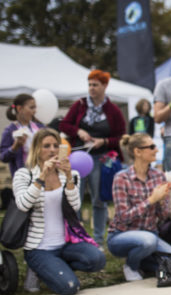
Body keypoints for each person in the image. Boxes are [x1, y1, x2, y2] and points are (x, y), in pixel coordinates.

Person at [13, 128, 105, 295]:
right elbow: (23, 205)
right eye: (46, 146)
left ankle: (55, 266)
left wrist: (69, 176)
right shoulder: (24, 174)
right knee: (70, 287)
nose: (52, 150)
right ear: (36, 149)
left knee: (98, 259)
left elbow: (75, 206)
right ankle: (37, 268)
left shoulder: (70, 174)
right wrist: (41, 177)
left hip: (66, 243)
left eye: (56, 145)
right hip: (39, 247)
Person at [58, 70, 126, 246]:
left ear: (104, 86)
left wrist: (103, 141)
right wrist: (78, 131)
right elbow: (64, 124)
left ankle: (98, 239)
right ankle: (75, 236)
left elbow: (120, 136)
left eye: (95, 84)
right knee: (75, 197)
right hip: (78, 156)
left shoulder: (113, 110)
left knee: (98, 199)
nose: (92, 88)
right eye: (90, 84)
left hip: (101, 158)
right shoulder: (80, 105)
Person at [108, 133, 171, 281]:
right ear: (137, 152)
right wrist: (151, 200)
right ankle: (131, 266)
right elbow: (123, 217)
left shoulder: (159, 176)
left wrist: (162, 202)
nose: (156, 150)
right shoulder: (121, 178)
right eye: (151, 147)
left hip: (151, 234)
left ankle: (145, 263)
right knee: (148, 241)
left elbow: (164, 216)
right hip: (120, 236)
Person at [0, 94, 44, 178]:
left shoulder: (40, 128)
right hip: (23, 176)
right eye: (31, 108)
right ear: (19, 108)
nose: (35, 111)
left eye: (35, 108)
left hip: (41, 173)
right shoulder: (10, 130)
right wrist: (15, 147)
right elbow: (3, 157)